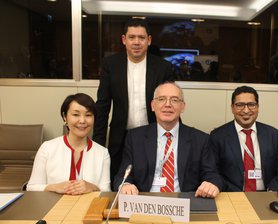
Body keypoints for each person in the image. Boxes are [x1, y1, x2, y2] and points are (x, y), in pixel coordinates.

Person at [93, 18, 174, 189]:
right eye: (131, 37)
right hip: (120, 137)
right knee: (120, 183)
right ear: (124, 40)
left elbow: (170, 103)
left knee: (153, 182)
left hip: (154, 134)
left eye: (141, 37)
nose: (136, 42)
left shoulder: (162, 67)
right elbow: (103, 105)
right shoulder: (111, 64)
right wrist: (98, 145)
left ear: (149, 40)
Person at [116, 82, 222, 198]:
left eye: (174, 100)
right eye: (161, 99)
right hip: (145, 201)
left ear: (183, 107)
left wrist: (212, 184)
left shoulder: (200, 139)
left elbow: (212, 175)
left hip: (184, 203)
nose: (168, 104)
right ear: (152, 105)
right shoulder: (135, 137)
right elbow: (123, 174)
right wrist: (126, 184)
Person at [27, 93, 111, 194]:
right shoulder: (47, 148)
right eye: (75, 115)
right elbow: (31, 187)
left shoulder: (102, 153)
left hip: (88, 207)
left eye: (88, 115)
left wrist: (92, 187)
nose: (82, 120)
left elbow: (107, 191)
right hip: (52, 207)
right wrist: (54, 187)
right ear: (65, 117)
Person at [209, 86, 278, 191]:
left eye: (251, 105)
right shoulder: (218, 136)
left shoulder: (272, 134)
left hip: (267, 194)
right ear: (232, 108)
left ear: (258, 107)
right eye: (239, 105)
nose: (246, 110)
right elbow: (213, 173)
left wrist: (271, 191)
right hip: (232, 195)